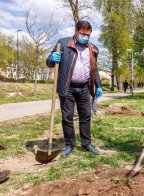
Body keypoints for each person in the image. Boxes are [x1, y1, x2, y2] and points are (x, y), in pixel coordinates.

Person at [46, 20, 102, 157]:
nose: (85, 37)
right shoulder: (63, 44)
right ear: (76, 31)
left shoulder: (93, 48)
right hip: (67, 87)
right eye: (83, 34)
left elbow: (94, 69)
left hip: (84, 88)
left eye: (88, 35)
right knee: (67, 117)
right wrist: (52, 59)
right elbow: (49, 62)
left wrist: (98, 85)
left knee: (86, 116)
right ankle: (69, 144)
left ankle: (86, 144)